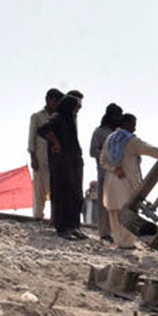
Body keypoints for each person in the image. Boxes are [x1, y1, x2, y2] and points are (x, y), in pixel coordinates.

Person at [100, 113, 158, 249]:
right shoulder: (131, 141)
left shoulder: (110, 139)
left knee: (115, 213)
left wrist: (113, 168)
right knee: (129, 211)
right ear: (127, 124)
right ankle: (127, 243)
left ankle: (119, 241)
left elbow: (103, 161)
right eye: (133, 125)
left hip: (111, 182)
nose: (134, 129)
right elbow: (149, 149)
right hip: (126, 182)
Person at [38, 92, 86, 239]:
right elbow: (43, 129)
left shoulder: (70, 120)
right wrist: (56, 142)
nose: (77, 109)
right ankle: (62, 228)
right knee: (62, 196)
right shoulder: (58, 118)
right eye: (75, 107)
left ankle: (73, 227)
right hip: (61, 166)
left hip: (72, 164)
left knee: (75, 196)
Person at [88, 103, 124, 241]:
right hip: (105, 172)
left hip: (119, 174)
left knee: (119, 203)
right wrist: (108, 155)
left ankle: (117, 231)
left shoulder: (120, 133)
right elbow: (92, 151)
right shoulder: (99, 132)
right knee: (105, 204)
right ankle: (104, 232)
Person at [26, 88, 62, 221]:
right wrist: (33, 157)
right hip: (40, 158)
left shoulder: (58, 118)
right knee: (38, 189)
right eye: (54, 101)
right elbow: (31, 138)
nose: (56, 104)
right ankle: (38, 216)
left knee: (54, 188)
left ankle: (54, 216)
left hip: (55, 159)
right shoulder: (37, 116)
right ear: (48, 100)